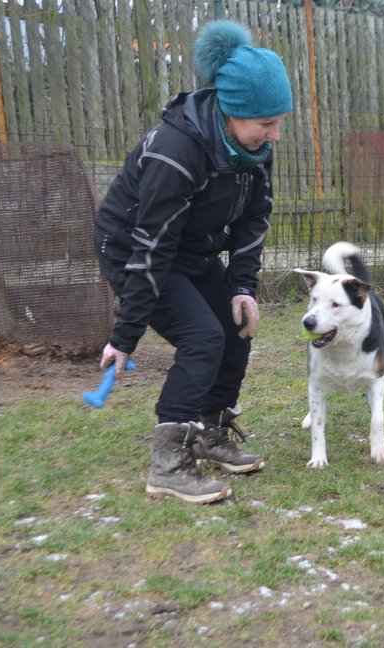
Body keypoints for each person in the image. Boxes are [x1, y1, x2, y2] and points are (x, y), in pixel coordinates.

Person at [93, 20, 293, 504]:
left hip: (193, 247)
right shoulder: (176, 151)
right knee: (202, 337)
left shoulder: (254, 148)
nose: (277, 135)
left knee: (234, 323)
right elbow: (152, 246)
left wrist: (242, 286)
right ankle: (169, 460)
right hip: (136, 251)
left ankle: (210, 431)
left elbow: (253, 220)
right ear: (232, 113)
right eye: (266, 123)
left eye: (279, 121)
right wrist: (125, 335)